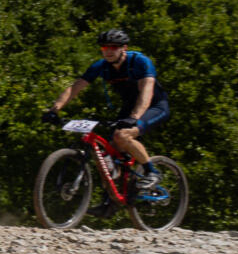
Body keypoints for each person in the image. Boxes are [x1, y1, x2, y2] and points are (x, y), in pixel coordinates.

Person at [46, 28, 169, 192]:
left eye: (113, 47)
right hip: (129, 108)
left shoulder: (140, 62)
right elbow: (75, 88)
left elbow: (146, 91)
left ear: (124, 48)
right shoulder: (101, 66)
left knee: (122, 135)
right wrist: (54, 110)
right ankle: (111, 199)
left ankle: (152, 172)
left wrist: (134, 117)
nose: (108, 51)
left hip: (154, 106)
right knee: (105, 155)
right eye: (105, 47)